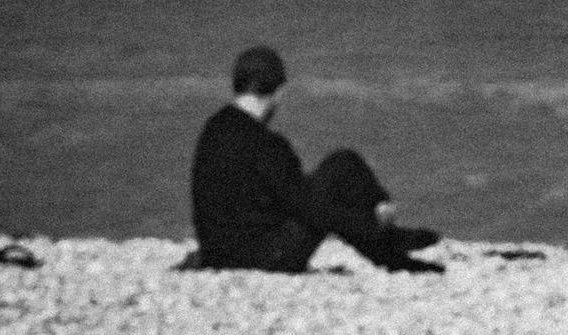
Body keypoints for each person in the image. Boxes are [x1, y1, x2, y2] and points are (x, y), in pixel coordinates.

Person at [188, 46, 443, 273]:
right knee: (342, 166)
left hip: (217, 253)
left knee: (325, 187)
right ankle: (389, 244)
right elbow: (307, 207)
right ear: (278, 91)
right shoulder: (266, 144)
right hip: (264, 257)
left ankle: (389, 243)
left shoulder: (213, 129)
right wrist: (368, 223)